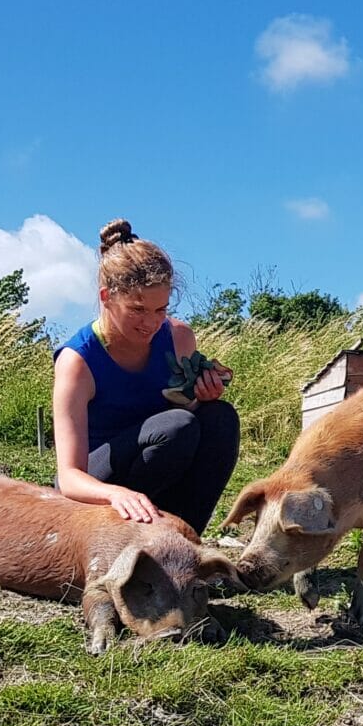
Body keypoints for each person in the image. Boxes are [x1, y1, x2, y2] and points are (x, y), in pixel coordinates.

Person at [52, 218, 240, 532]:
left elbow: (183, 417)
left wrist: (200, 397)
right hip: (93, 487)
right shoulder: (77, 361)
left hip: (153, 463)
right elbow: (69, 477)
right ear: (107, 298)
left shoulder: (179, 338)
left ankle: (184, 536)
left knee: (219, 418)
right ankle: (122, 534)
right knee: (177, 426)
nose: (151, 323)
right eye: (137, 309)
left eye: (160, 310)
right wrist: (115, 493)